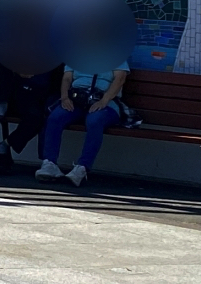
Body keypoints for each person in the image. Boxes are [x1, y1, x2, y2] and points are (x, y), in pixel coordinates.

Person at [35, 56, 131, 189]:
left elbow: (120, 78)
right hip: (77, 100)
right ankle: (49, 164)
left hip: (105, 102)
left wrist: (104, 101)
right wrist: (64, 98)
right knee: (55, 118)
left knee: (94, 121)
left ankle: (82, 167)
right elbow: (67, 78)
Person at [0, 50, 59, 176]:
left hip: (37, 98)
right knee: (0, 59)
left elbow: (55, 85)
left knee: (36, 118)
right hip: (16, 93)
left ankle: (5, 145)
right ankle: (2, 103)